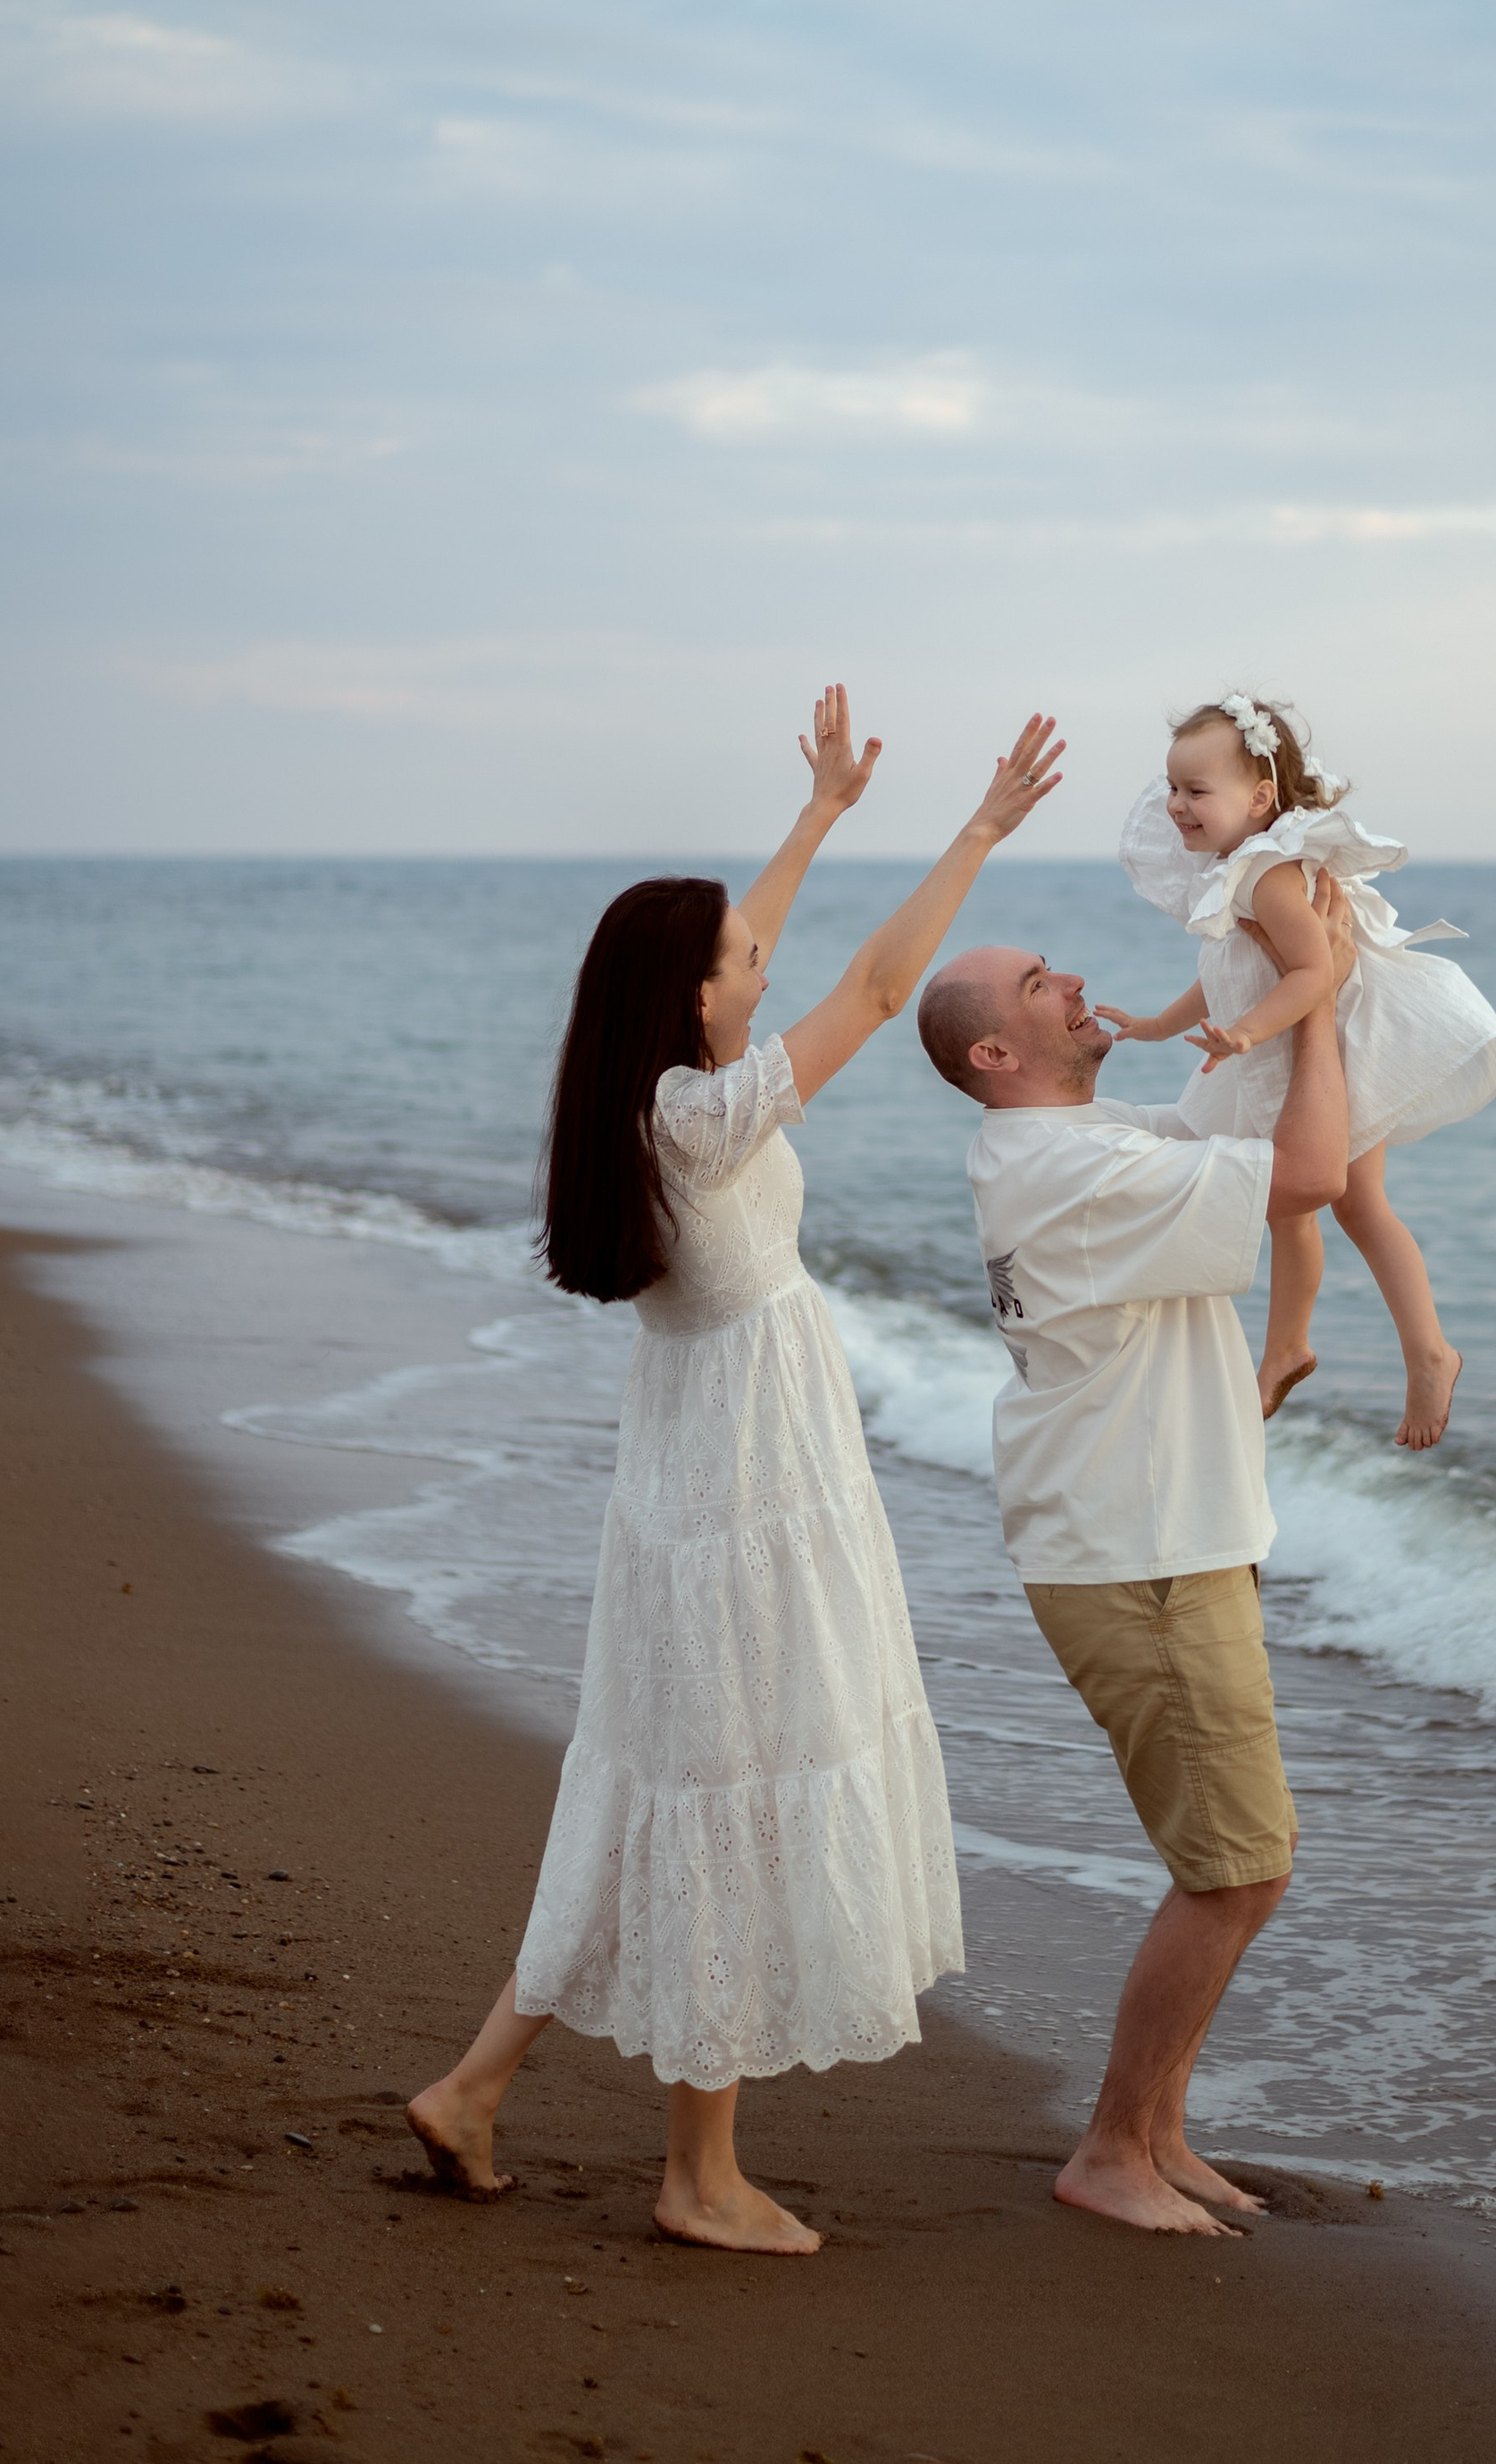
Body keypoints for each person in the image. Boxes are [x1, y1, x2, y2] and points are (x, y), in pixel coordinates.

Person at [407, 690, 1066, 2256]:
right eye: (736, 966)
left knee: (671, 1797)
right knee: (735, 1798)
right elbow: (880, 980)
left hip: (697, 1473)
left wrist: (825, 813)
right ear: (691, 1002)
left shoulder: (647, 1104)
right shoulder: (707, 1118)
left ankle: (474, 2090)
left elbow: (749, 945)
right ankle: (696, 2179)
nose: (760, 971)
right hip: (750, 1490)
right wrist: (977, 827)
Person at [913, 878, 1354, 2237]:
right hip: (1142, 1551)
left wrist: (1286, 961)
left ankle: (1159, 2132)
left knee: (1233, 1851)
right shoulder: (1066, 1166)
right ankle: (1110, 2147)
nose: (1071, 981)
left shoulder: (1087, 1134)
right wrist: (1319, 982)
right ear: (999, 1052)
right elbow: (1311, 1175)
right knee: (1240, 1865)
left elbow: (1266, 1120)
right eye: (1043, 979)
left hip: (1154, 1536)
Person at [1099, 692, 1496, 1445]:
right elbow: (1229, 967)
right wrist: (1162, 1024)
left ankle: (1418, 1352)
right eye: (1171, 788)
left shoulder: (1269, 874)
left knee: (1338, 1205)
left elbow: (1311, 968)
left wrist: (1250, 1034)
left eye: (1196, 791)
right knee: (1305, 1204)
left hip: (1320, 1052)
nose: (1176, 806)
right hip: (1292, 1048)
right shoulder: (1241, 869)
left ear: (1260, 797)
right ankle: (1303, 1345)